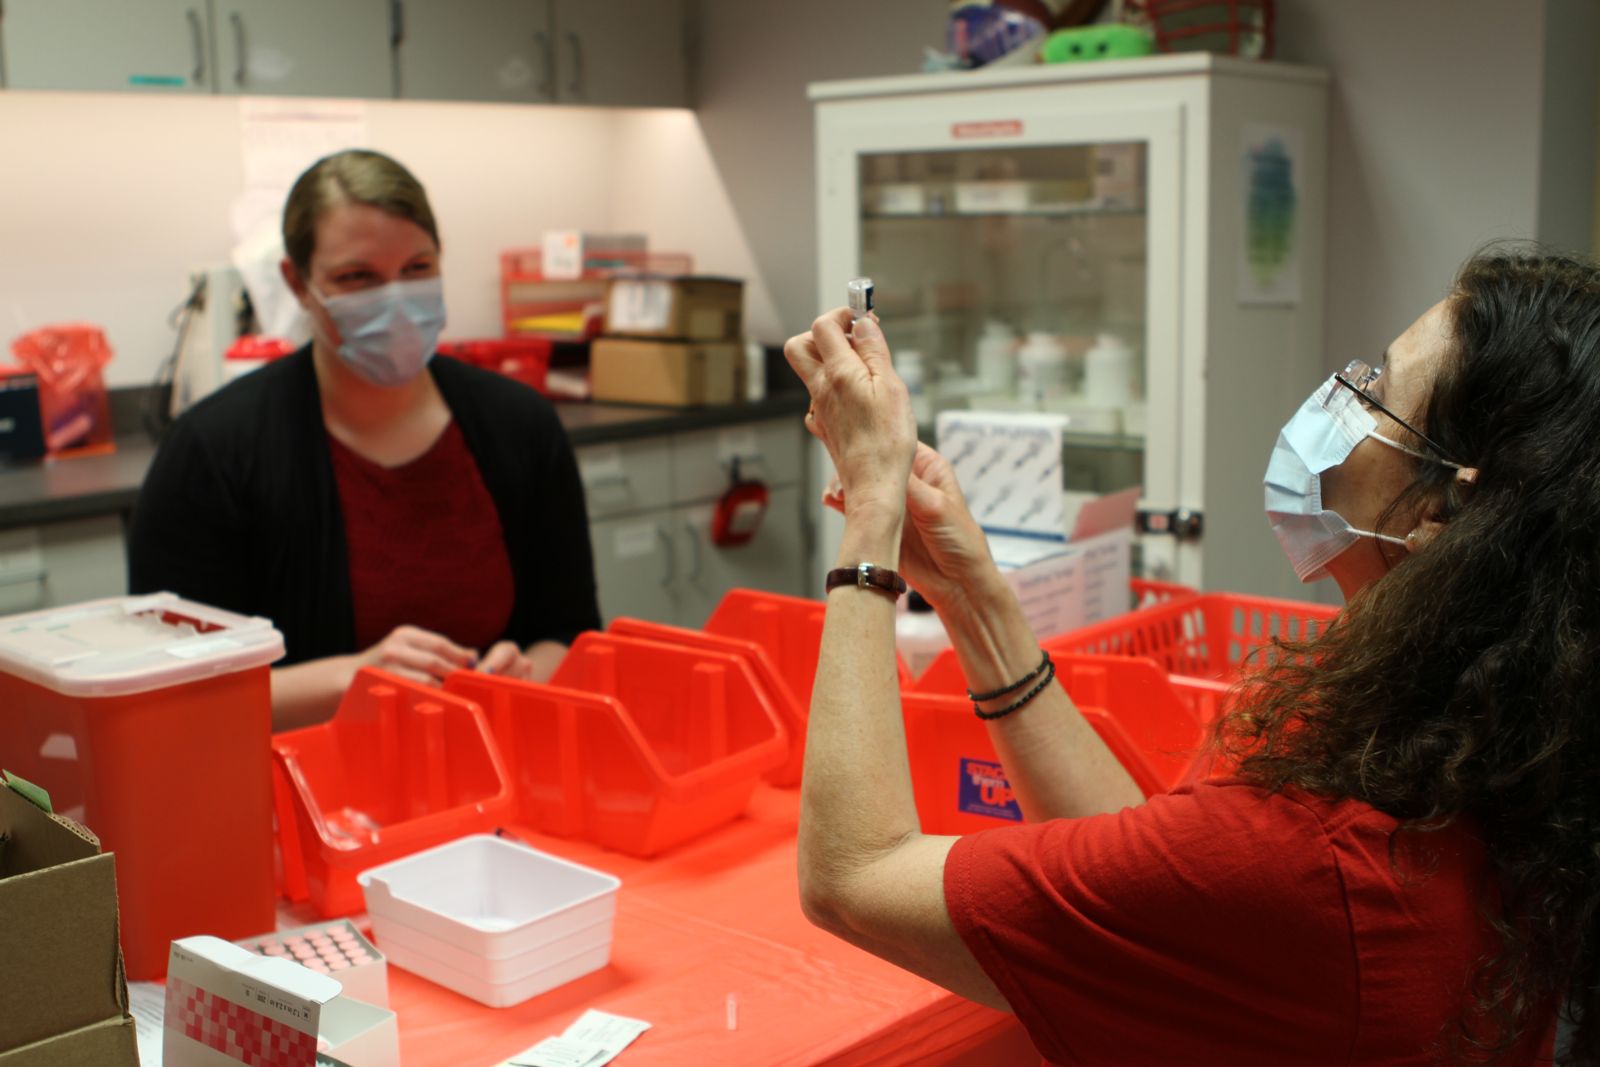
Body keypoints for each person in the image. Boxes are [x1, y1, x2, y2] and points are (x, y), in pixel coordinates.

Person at [785, 249, 1592, 1064]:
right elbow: (1142, 879)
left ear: (1444, 509)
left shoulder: (1317, 858)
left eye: (1378, 390)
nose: (1341, 399)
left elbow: (852, 878)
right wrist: (971, 595)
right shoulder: (1469, 735)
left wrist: (873, 511)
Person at [129, 149, 600, 731]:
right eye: (357, 278)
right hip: (298, 796)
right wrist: (351, 680)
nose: (395, 299)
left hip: (496, 775)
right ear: (298, 284)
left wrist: (523, 673)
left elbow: (570, 633)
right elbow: (165, 693)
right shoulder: (215, 452)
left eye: (417, 269)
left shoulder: (520, 425)